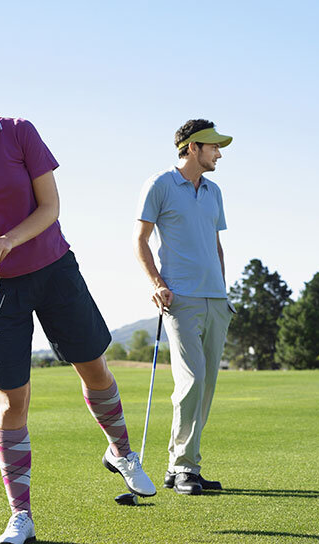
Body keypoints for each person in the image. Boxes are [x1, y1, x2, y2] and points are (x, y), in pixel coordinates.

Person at [0, 52, 155, 544]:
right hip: (2, 287)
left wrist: (7, 240)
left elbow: (51, 207)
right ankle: (20, 515)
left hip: (54, 268)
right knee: (12, 400)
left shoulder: (20, 131)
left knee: (93, 367)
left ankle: (121, 451)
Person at [133, 119, 235, 495]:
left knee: (206, 385)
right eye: (213, 147)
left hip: (216, 300)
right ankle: (182, 468)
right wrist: (157, 284)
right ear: (193, 147)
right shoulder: (160, 185)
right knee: (190, 381)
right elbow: (139, 240)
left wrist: (223, 293)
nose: (219, 153)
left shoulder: (213, 192)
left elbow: (216, 245)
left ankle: (185, 464)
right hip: (180, 299)